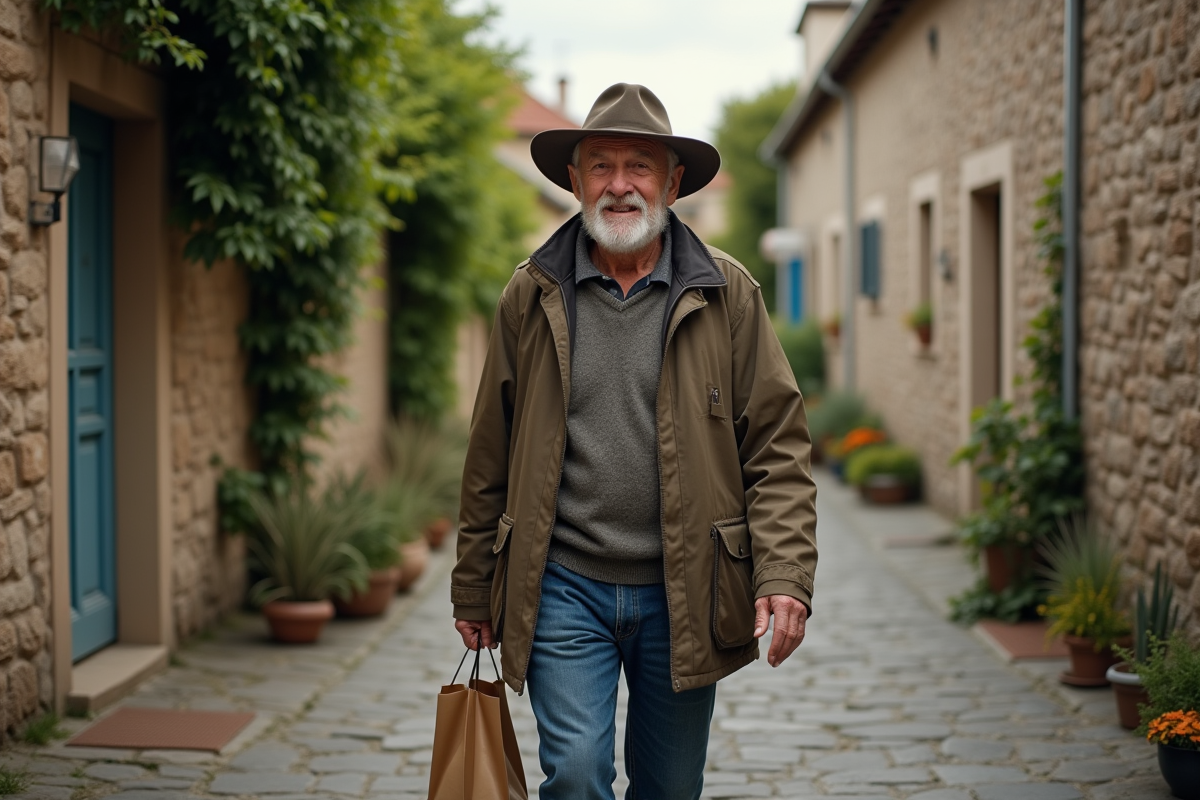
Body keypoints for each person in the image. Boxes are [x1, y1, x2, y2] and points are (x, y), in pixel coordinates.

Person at [451, 83, 818, 800]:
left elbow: (777, 446)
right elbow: (489, 448)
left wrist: (784, 575)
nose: (621, 185)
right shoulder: (532, 294)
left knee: (670, 788)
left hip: (687, 588)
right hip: (563, 584)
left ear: (673, 182)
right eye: (602, 166)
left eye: (640, 166)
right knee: (578, 775)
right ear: (575, 179)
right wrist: (473, 582)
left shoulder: (727, 294)